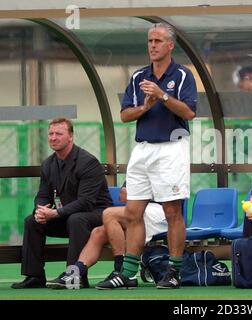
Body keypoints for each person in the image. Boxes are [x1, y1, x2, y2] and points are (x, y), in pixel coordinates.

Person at [97, 22, 196, 290]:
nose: (152, 46)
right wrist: (144, 106)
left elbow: (189, 113)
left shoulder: (183, 75)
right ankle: (127, 273)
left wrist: (162, 95)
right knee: (133, 211)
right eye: (150, 41)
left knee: (172, 211)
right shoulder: (138, 76)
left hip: (171, 147)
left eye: (158, 41)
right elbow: (125, 115)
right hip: (142, 149)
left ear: (170, 45)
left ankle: (174, 271)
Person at [11, 118, 112, 289]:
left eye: (59, 134)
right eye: (51, 133)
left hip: (97, 214)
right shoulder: (48, 164)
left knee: (77, 219)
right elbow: (43, 195)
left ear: (70, 136)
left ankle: (75, 276)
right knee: (32, 221)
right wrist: (41, 210)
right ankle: (35, 276)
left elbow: (86, 202)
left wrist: (56, 213)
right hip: (68, 214)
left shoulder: (88, 162)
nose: (53, 137)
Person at [45, 184, 168, 289]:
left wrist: (137, 196)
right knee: (98, 232)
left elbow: (166, 196)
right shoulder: (138, 165)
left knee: (109, 213)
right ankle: (75, 273)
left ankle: (120, 270)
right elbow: (123, 196)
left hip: (159, 211)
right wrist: (136, 196)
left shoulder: (163, 165)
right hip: (136, 210)